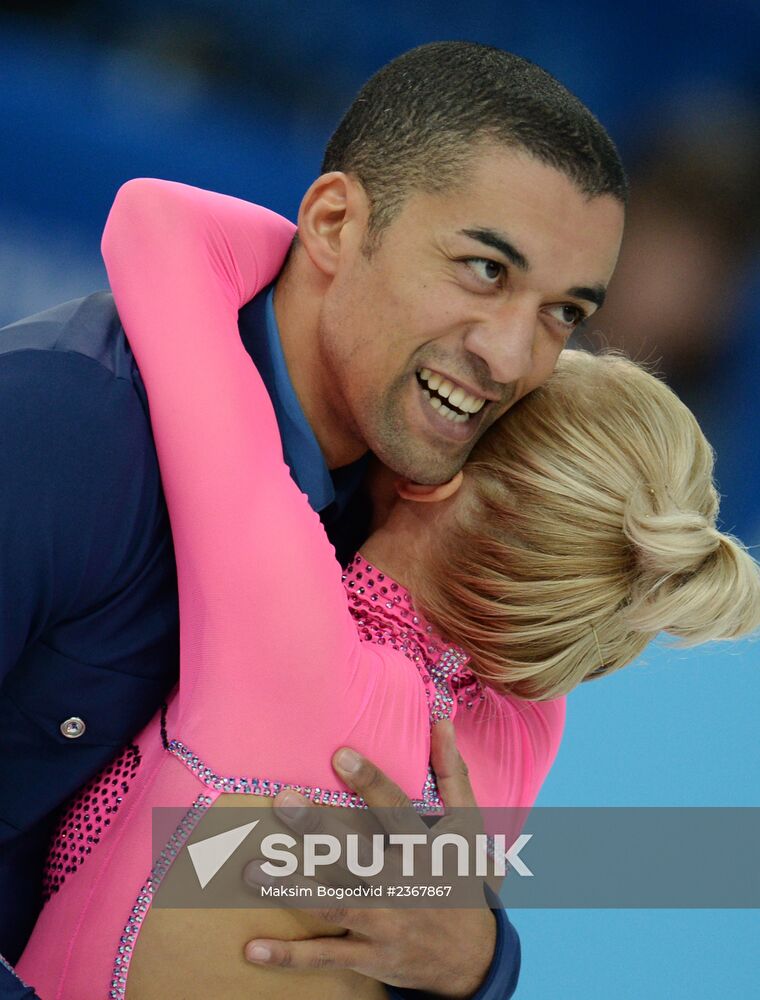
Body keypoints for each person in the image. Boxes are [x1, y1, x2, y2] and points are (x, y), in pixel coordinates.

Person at [15, 175, 760, 999]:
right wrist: (488, 968)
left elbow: (158, 224)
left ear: (440, 477)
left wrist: (353, 254)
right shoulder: (515, 746)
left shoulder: (287, 624)